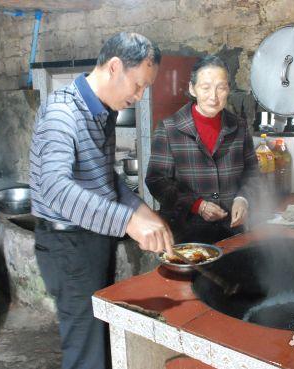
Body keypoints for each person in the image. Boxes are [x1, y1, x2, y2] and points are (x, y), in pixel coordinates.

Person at [29, 32, 174, 369]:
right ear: (114, 67)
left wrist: (143, 212)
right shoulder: (62, 112)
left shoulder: (101, 112)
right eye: (137, 85)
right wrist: (127, 221)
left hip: (91, 237)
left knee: (100, 336)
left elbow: (103, 177)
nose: (139, 96)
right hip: (67, 244)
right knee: (86, 350)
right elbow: (54, 187)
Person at [146, 55, 259, 244]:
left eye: (221, 88)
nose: (213, 96)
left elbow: (253, 173)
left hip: (231, 231)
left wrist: (243, 199)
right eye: (205, 87)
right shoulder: (170, 128)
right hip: (186, 234)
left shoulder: (238, 127)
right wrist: (196, 205)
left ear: (228, 89)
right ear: (192, 89)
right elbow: (156, 180)